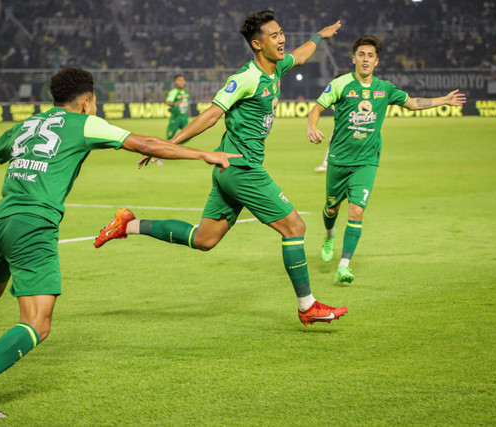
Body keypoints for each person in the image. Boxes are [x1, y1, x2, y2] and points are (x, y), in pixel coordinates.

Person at [0, 67, 240, 419]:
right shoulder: (85, 123)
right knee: (38, 322)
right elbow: (145, 143)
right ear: (87, 100)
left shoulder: (28, 124)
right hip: (34, 224)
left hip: (1, 219)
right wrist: (204, 155)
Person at [94, 10, 347, 327]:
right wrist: (169, 144)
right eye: (274, 35)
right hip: (242, 168)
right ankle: (307, 306)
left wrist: (319, 36)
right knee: (295, 228)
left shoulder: (276, 67)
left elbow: (299, 56)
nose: (282, 39)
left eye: (281, 32)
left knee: (204, 239)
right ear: (257, 44)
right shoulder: (244, 79)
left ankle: (128, 225)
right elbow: (210, 115)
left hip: (228, 167)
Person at [307, 35, 466, 284]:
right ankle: (329, 235)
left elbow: (413, 103)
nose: (366, 59)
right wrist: (312, 127)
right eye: (361, 54)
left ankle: (344, 265)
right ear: (354, 58)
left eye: (370, 55)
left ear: (377, 61)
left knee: (356, 211)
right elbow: (317, 108)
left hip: (367, 161)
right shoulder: (340, 84)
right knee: (330, 209)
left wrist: (443, 100)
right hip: (339, 160)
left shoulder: (386, 89)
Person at [166, 74, 191, 140]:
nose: (182, 82)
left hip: (184, 118)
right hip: (175, 118)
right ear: (175, 82)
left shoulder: (186, 92)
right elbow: (168, 102)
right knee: (170, 137)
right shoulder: (173, 92)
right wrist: (175, 104)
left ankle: (177, 145)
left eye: (183, 80)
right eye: (179, 80)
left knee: (190, 134)